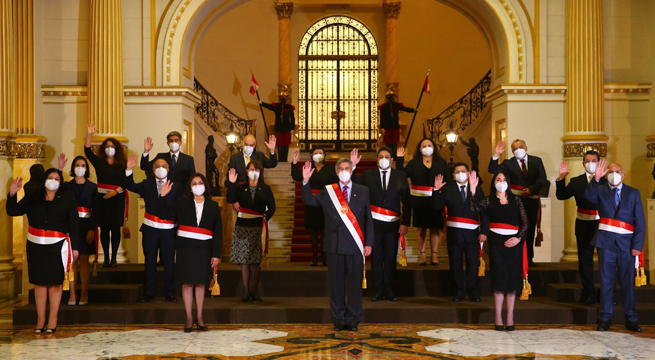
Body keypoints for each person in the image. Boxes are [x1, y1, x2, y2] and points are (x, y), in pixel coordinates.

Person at [301, 158, 374, 332]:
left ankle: (354, 320)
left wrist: (369, 243)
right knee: (337, 285)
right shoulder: (328, 191)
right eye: (340, 168)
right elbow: (309, 200)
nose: (344, 170)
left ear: (352, 170)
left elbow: (368, 219)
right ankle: (339, 320)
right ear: (336, 171)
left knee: (355, 285)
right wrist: (305, 181)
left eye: (347, 168)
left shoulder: (362, 191)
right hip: (334, 246)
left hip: (356, 246)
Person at [7, 169, 80, 334]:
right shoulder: (34, 196)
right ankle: (40, 320)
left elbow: (74, 224)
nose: (53, 181)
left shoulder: (67, 198)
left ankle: (53, 319)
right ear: (44, 180)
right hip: (36, 245)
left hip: (57, 246)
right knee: (39, 284)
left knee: (55, 283)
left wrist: (75, 247)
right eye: (50, 177)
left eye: (56, 178)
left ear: (60, 182)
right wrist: (12, 193)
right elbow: (14, 211)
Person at [586, 160, 645, 332]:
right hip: (606, 243)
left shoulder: (633, 193)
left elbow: (640, 222)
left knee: (628, 282)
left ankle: (631, 318)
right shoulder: (600, 190)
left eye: (617, 171)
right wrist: (595, 179)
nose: (614, 174)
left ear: (623, 174)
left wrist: (638, 245)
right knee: (606, 282)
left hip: (627, 245)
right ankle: (605, 318)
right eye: (610, 171)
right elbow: (589, 198)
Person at [159, 173, 222, 332]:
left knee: (200, 283)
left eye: (200, 182)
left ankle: (200, 317)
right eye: (194, 183)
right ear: (190, 187)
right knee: (187, 283)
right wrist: (163, 197)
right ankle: (188, 318)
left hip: (204, 249)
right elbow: (166, 214)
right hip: (185, 247)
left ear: (205, 185)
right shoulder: (182, 203)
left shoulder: (213, 206)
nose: (197, 185)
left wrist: (216, 254)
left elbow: (218, 232)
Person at [470, 170, 528, 331]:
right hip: (496, 243)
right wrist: (473, 191)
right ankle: (497, 316)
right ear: (494, 183)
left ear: (508, 182)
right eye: (498, 179)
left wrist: (518, 238)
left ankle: (510, 316)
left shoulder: (516, 200)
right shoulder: (488, 201)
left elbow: (525, 223)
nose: (501, 182)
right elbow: (474, 209)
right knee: (499, 279)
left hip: (514, 244)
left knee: (511, 281)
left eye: (503, 179)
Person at [352, 146, 410, 302]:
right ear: (377, 159)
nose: (383, 159)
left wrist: (405, 222)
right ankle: (377, 290)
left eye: (386, 156)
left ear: (391, 160)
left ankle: (390, 289)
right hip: (374, 225)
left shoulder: (400, 175)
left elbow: (407, 200)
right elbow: (354, 186)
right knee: (376, 258)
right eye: (380, 156)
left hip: (393, 224)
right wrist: (353, 166)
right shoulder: (368, 175)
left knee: (390, 257)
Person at [124, 155, 180, 302]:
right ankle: (149, 292)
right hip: (150, 229)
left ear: (168, 169)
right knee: (149, 261)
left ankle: (170, 292)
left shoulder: (176, 185)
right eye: (157, 166)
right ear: (153, 169)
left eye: (164, 166)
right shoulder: (146, 184)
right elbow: (130, 186)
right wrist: (129, 169)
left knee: (169, 262)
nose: (160, 169)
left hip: (168, 230)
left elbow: (179, 208)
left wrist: (178, 226)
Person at [433, 163, 489, 302]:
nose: (460, 174)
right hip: (455, 234)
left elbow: (484, 212)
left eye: (463, 171)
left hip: (473, 235)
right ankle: (458, 291)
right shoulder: (447, 189)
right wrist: (436, 190)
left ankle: (473, 292)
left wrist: (485, 231)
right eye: (456, 172)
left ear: (469, 173)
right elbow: (436, 206)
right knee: (455, 264)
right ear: (452, 175)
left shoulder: (477, 188)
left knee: (472, 264)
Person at [488, 139, 546, 267]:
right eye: (515, 148)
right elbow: (492, 170)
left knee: (529, 230)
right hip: (515, 202)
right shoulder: (508, 163)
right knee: (516, 229)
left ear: (526, 147)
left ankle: (529, 258)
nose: (518, 149)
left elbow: (542, 178)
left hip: (531, 200)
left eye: (520, 147)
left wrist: (532, 189)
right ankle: (515, 256)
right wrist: (496, 154)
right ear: (512, 151)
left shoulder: (536, 161)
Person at [555, 150, 603, 305]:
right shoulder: (576, 181)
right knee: (585, 259)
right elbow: (562, 195)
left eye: (594, 160)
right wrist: (561, 178)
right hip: (583, 223)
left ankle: (606, 293)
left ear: (599, 162)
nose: (591, 163)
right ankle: (589, 291)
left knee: (605, 259)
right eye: (587, 161)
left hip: (602, 224)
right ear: (583, 164)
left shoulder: (606, 181)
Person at [226, 161, 276, 302]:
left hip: (257, 227)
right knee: (244, 261)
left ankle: (254, 291)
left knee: (255, 261)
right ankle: (246, 291)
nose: (254, 172)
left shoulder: (265, 188)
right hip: (242, 226)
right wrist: (231, 183)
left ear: (261, 172)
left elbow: (272, 208)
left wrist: (264, 220)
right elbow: (230, 199)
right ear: (247, 171)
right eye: (252, 169)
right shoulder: (241, 188)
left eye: (257, 170)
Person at [396, 139, 451, 266]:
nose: (427, 147)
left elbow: (448, 182)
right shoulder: (414, 163)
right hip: (418, 201)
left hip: (436, 200)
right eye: (424, 146)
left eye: (429, 145)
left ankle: (434, 255)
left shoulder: (441, 163)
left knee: (434, 228)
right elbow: (401, 175)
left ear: (434, 147)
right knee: (421, 228)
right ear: (420, 149)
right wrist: (399, 159)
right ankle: (422, 255)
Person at [84, 121, 127, 267]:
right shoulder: (100, 162)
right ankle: (106, 258)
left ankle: (114, 258)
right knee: (104, 228)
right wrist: (89, 135)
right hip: (101, 198)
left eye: (112, 146)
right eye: (107, 146)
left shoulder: (122, 163)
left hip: (117, 198)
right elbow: (88, 152)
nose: (110, 149)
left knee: (115, 229)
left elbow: (126, 181)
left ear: (116, 149)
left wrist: (115, 192)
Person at [291, 147, 338, 266]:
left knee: (324, 231)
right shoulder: (308, 166)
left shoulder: (331, 168)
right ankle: (314, 257)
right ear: (311, 155)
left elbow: (335, 183)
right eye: (315, 153)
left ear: (325, 155)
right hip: (311, 201)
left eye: (320, 153)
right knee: (313, 231)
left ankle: (324, 257)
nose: (318, 154)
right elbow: (297, 176)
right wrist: (295, 162)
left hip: (325, 202)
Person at [65, 156, 99, 306]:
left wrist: (92, 228)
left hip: (86, 225)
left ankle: (84, 292)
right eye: (77, 165)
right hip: (71, 225)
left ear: (86, 169)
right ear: (73, 168)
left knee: (84, 259)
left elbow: (96, 209)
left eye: (83, 165)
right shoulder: (67, 186)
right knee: (73, 260)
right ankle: (72, 293)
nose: (80, 167)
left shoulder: (92, 187)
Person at [378, 89, 416, 156]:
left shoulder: (397, 105)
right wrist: (382, 127)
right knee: (388, 143)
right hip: (387, 127)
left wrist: (413, 110)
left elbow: (405, 109)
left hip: (395, 127)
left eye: (391, 96)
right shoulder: (383, 106)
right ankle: (388, 155)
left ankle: (394, 156)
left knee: (395, 143)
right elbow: (382, 118)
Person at [260, 92, 295, 162]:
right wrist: (261, 103)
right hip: (279, 128)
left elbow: (292, 118)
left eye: (285, 98)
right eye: (282, 98)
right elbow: (269, 106)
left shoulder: (290, 107)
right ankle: (280, 159)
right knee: (279, 144)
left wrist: (292, 128)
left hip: (287, 129)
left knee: (286, 144)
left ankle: (285, 159)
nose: (283, 99)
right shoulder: (277, 106)